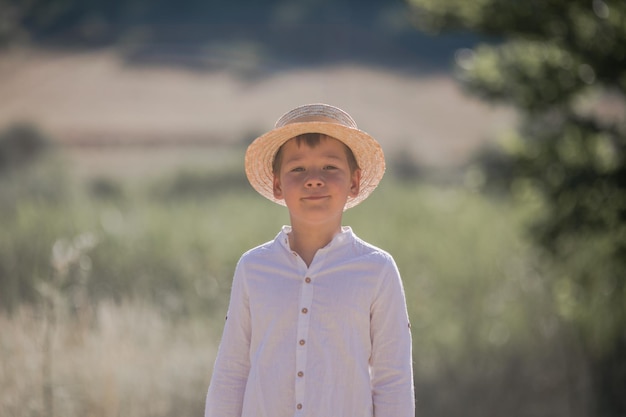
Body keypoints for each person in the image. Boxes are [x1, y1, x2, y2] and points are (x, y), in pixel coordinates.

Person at [205, 103, 415, 417]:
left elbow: (393, 379)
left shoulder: (377, 270)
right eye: (298, 169)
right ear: (277, 184)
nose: (314, 180)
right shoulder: (253, 268)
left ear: (354, 182)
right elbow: (232, 371)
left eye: (330, 168)